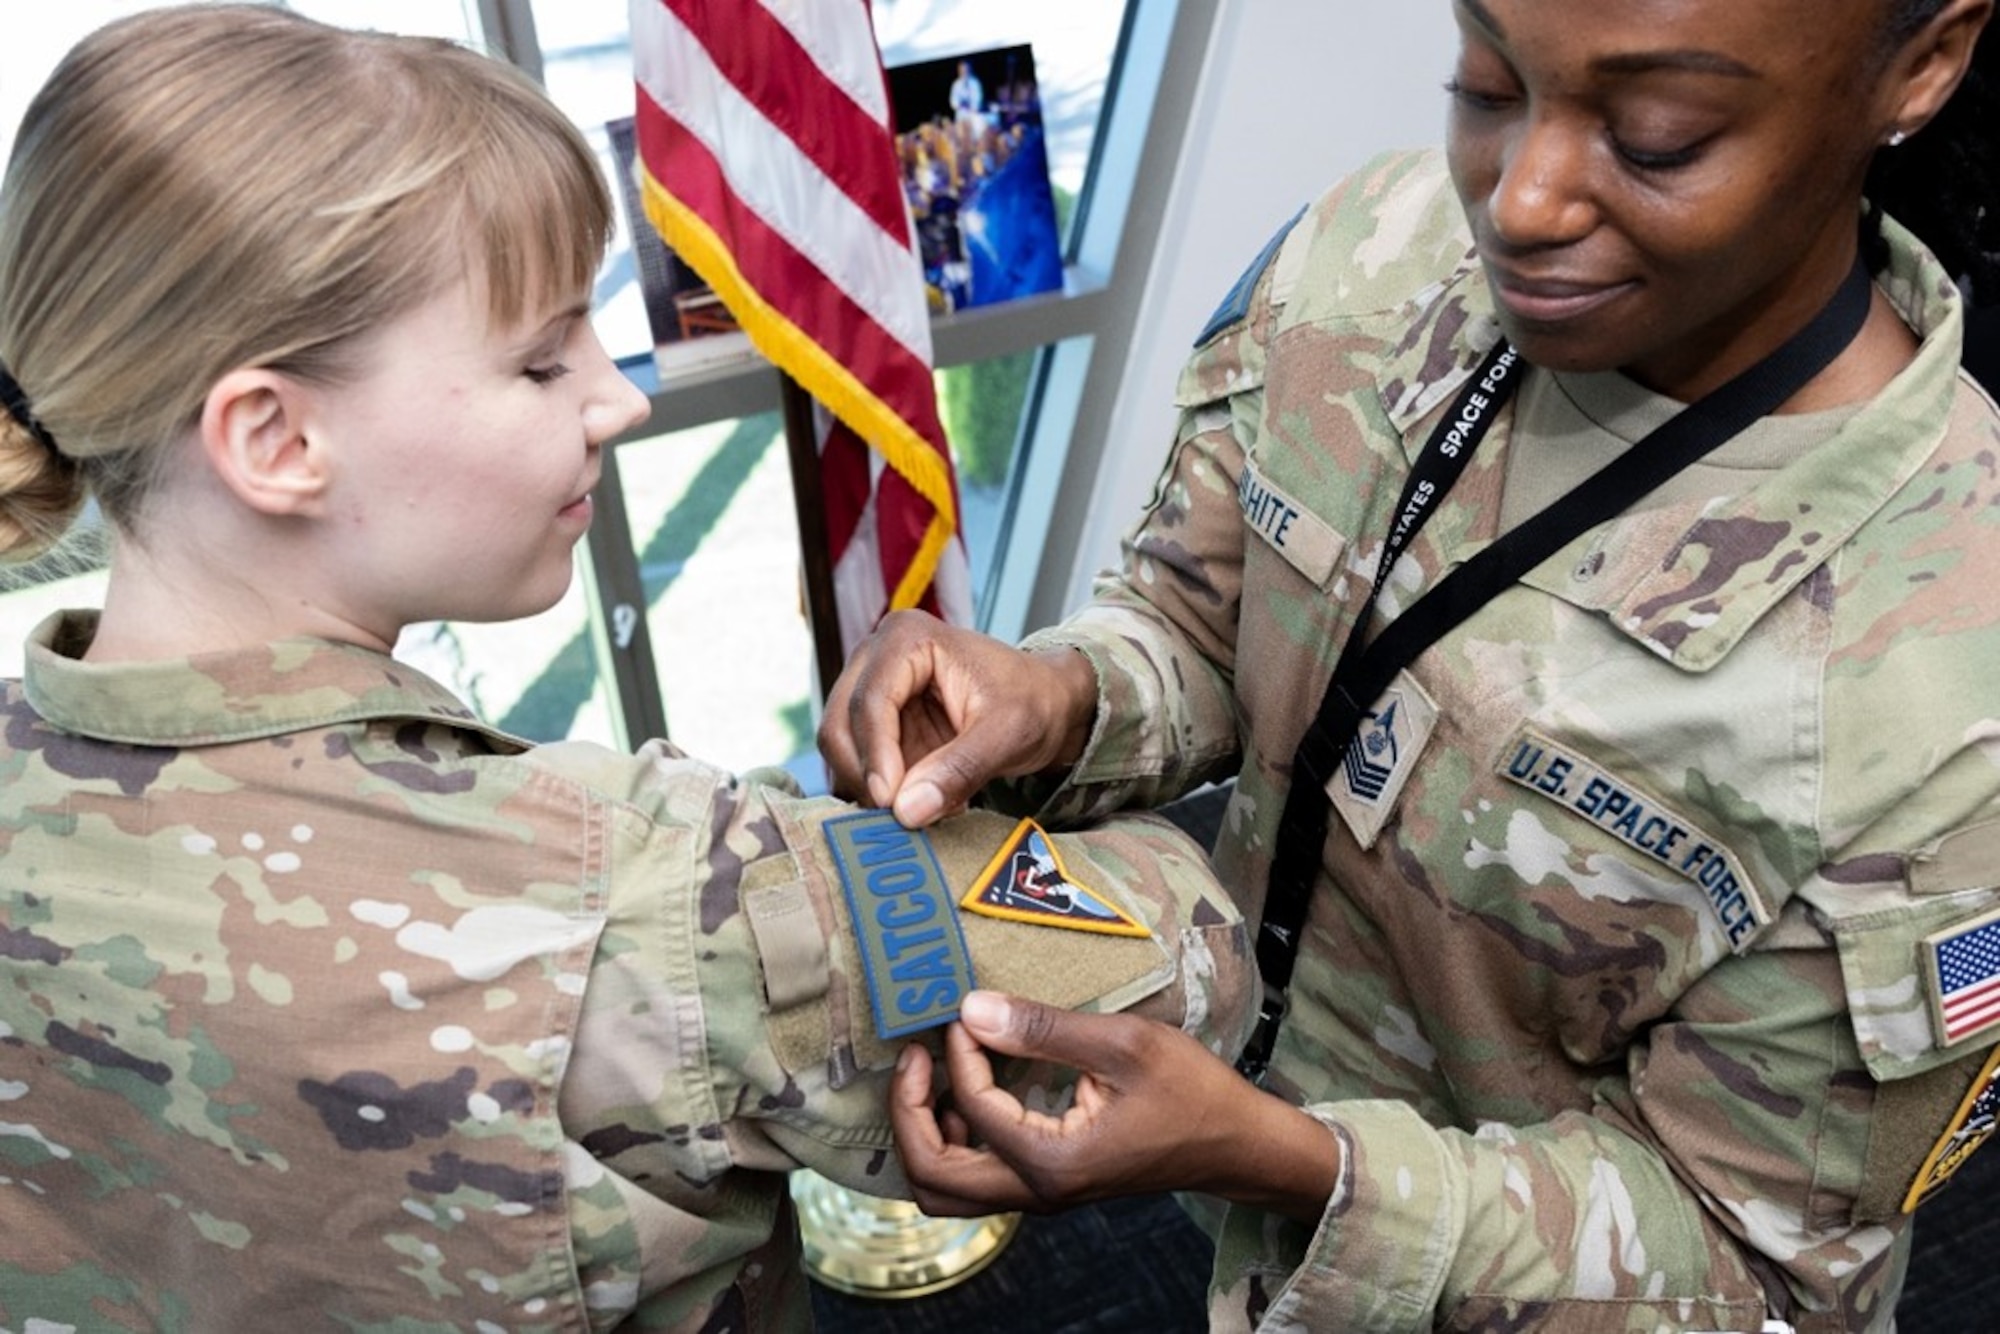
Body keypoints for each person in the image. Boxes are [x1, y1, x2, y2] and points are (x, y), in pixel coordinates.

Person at [0, 8, 1256, 1330]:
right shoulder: (623, 886)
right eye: (541, 359)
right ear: (275, 438)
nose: (619, 397)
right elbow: (1192, 951)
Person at [820, 0, 2000, 1329]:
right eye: (1486, 83)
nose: (1525, 202)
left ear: (1925, 63)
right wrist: (1062, 697)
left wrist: (1292, 1163)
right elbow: (1205, 625)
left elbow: (1754, 1272)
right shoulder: (1371, 254)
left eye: (1657, 136)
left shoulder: (1948, 691)